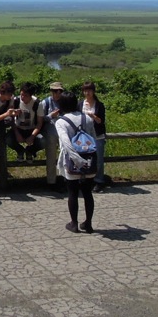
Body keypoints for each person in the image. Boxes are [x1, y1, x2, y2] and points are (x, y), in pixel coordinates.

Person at [54, 91, 97, 233]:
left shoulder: (61, 122)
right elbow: (93, 139)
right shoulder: (87, 119)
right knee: (87, 192)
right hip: (89, 160)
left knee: (72, 192)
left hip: (72, 161)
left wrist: (78, 160)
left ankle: (74, 223)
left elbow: (66, 144)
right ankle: (88, 223)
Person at [80, 80, 109, 192]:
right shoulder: (80, 104)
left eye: (90, 90)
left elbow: (101, 121)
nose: (87, 93)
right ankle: (84, 180)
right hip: (83, 135)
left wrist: (94, 117)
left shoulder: (99, 105)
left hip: (97, 135)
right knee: (84, 158)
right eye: (85, 90)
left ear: (93, 91)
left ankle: (99, 181)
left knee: (98, 159)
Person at [39, 81, 65, 186]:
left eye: (60, 91)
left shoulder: (65, 102)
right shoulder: (45, 102)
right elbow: (40, 120)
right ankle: (51, 182)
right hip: (50, 133)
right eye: (55, 91)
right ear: (51, 91)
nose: (57, 93)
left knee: (65, 156)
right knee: (51, 158)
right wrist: (50, 116)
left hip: (63, 132)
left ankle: (66, 180)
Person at [11, 82, 44, 161]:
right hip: (18, 128)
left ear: (31, 95)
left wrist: (32, 136)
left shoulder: (37, 103)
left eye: (25, 96)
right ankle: (20, 150)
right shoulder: (15, 101)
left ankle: (30, 150)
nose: (22, 97)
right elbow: (11, 119)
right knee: (8, 139)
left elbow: (40, 122)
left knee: (43, 141)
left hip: (32, 129)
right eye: (21, 94)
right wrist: (17, 133)